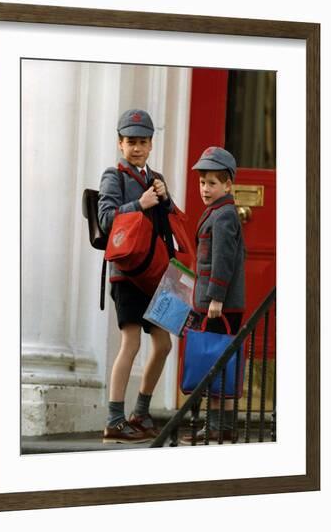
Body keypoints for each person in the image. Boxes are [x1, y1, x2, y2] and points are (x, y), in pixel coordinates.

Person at [98, 109, 174, 444]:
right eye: (131, 142)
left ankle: (140, 413)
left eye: (143, 142)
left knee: (164, 343)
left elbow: (168, 225)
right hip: (127, 274)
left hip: (156, 273)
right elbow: (105, 219)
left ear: (151, 144)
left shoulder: (156, 177)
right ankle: (115, 419)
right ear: (120, 143)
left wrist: (166, 200)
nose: (137, 148)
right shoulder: (113, 176)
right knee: (131, 341)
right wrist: (139, 204)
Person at [181, 146, 246, 444]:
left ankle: (219, 427)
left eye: (212, 183)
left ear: (228, 184)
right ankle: (221, 427)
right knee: (220, 361)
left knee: (218, 363)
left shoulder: (224, 216)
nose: (205, 189)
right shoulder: (216, 213)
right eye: (202, 182)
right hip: (213, 303)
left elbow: (222, 259)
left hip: (220, 305)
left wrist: (216, 298)